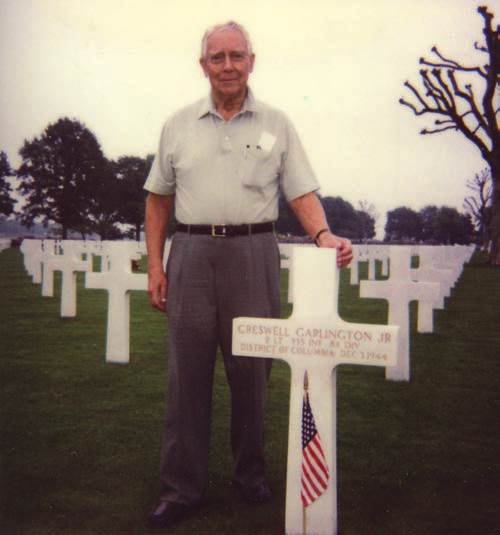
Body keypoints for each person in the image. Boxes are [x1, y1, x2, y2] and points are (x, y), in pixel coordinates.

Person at [143, 20, 353, 529]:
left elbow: (300, 191)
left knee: (252, 374)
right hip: (190, 252)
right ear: (203, 66)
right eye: (218, 57)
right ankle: (181, 488)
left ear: (252, 61)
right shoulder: (177, 124)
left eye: (237, 56)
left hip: (254, 253)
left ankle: (250, 474)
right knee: (186, 377)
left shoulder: (277, 123)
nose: (228, 66)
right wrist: (155, 263)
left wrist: (324, 236)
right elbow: (157, 199)